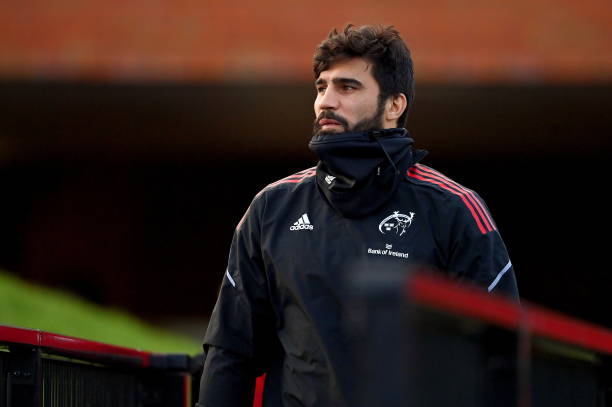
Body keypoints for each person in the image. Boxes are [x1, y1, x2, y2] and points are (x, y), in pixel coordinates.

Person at [197, 24, 519, 406]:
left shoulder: (454, 208)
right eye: (321, 87)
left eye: (347, 87)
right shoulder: (271, 207)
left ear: (394, 105)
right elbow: (231, 349)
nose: (325, 102)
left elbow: (501, 355)